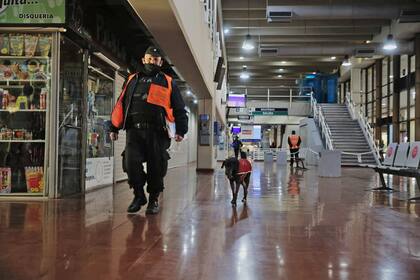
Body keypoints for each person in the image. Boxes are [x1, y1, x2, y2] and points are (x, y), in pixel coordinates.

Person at [109, 46, 188, 214]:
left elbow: (179, 108)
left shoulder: (167, 81)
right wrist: (114, 127)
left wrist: (181, 130)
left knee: (156, 167)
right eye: (150, 59)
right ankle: (139, 195)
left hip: (157, 132)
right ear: (144, 60)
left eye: (156, 59)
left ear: (161, 62)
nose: (152, 62)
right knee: (130, 163)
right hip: (134, 132)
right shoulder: (131, 79)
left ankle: (153, 200)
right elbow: (121, 103)